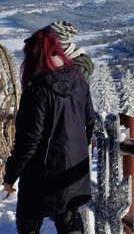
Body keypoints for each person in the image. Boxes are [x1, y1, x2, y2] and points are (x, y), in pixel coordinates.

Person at [3, 28, 97, 234]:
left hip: (41, 175)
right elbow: (90, 122)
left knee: (28, 224)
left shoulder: (36, 91)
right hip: (73, 171)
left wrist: (10, 177)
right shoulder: (79, 82)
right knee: (68, 222)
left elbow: (29, 141)